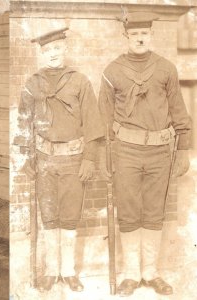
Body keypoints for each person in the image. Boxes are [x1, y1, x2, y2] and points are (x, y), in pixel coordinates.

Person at [98, 12, 191, 297]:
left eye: (145, 34)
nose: (140, 38)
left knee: (153, 211)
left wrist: (184, 149)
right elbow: (103, 116)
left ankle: (150, 273)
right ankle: (130, 275)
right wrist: (104, 153)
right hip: (125, 151)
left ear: (151, 36)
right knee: (128, 211)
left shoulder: (166, 69)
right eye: (134, 34)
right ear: (126, 37)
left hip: (160, 152)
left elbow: (179, 110)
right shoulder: (111, 71)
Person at [14, 27, 105, 292]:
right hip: (44, 160)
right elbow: (24, 123)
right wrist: (27, 159)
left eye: (56, 49)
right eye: (47, 50)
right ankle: (52, 271)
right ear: (41, 53)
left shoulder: (80, 81)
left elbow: (93, 124)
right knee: (49, 216)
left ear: (65, 49)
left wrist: (89, 160)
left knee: (70, 216)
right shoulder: (33, 83)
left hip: (73, 160)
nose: (52, 54)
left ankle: (68, 271)